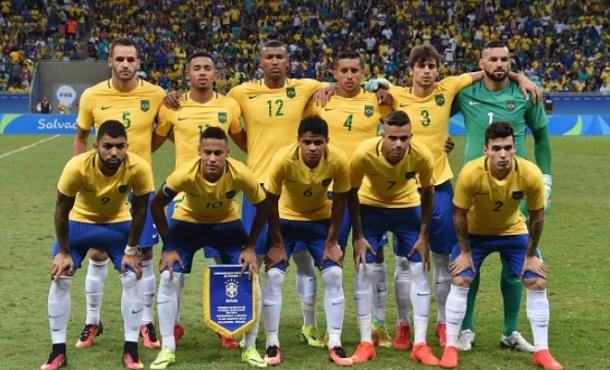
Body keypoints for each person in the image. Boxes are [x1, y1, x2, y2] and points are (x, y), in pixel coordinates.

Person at [371, 44, 540, 350]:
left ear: (438, 70)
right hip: (407, 189)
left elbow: (491, 69)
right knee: (406, 261)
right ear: (410, 70)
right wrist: (374, 87)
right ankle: (403, 325)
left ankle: (442, 324)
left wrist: (521, 78)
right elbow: (369, 101)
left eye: (432, 66)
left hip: (441, 185)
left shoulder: (448, 87)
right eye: (420, 66)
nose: (426, 71)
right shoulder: (393, 94)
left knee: (443, 258)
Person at [451, 40, 553, 352]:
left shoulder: (526, 93)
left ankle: (510, 331)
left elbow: (542, 138)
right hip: (475, 187)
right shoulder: (465, 92)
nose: (500, 64)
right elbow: (435, 106)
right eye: (493, 59)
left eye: (505, 59)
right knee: (470, 263)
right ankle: (466, 328)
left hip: (517, 189)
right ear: (481, 63)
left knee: (516, 264)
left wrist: (545, 178)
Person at [439, 121, 562, 370]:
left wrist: (530, 255)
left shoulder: (530, 173)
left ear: (515, 147)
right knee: (461, 279)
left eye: (507, 147)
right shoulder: (471, 172)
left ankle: (542, 351)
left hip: (513, 231)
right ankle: (451, 347)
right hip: (475, 233)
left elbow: (537, 217)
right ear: (486, 149)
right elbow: (459, 214)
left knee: (537, 280)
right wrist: (464, 252)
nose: (503, 154)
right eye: (496, 148)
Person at [73, 37, 165, 350]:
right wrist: (78, 178)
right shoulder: (92, 95)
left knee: (145, 254)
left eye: (131, 60)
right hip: (101, 188)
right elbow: (82, 138)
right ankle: (92, 320)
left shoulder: (156, 94)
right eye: (120, 59)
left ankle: (146, 321)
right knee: (98, 253)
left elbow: (163, 131)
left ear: (139, 63)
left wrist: (141, 162)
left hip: (139, 189)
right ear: (110, 62)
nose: (126, 65)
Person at [149, 126, 268, 369]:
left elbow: (264, 205)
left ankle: (251, 347)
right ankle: (167, 348)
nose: (212, 158)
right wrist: (169, 247)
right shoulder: (183, 174)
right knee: (168, 277)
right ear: (199, 152)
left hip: (226, 226)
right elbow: (156, 204)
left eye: (218, 153)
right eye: (207, 153)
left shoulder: (241, 173)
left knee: (250, 275)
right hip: (188, 224)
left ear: (227, 153)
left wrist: (250, 246)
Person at [41, 120, 154, 370]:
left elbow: (141, 209)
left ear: (127, 146)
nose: (114, 152)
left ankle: (131, 350)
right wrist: (63, 251)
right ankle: (57, 350)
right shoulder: (77, 166)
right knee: (61, 274)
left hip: (118, 224)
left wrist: (131, 250)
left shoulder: (138, 167)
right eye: (108, 146)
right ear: (96, 146)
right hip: (80, 222)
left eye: (120, 146)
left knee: (133, 275)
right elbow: (61, 209)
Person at [153, 50, 247, 348]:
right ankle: (175, 324)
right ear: (188, 74)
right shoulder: (173, 105)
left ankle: (227, 324)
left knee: (226, 264)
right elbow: (157, 139)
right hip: (184, 199)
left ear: (215, 73)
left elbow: (244, 141)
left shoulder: (229, 105)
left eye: (208, 68)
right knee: (176, 270)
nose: (203, 73)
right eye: (197, 68)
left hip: (221, 200)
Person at [307, 50, 392, 347]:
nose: (349, 76)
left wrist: (384, 85)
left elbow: (402, 125)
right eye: (343, 70)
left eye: (355, 70)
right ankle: (329, 325)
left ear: (363, 72)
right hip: (333, 193)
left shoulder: (376, 101)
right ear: (334, 72)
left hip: (370, 191)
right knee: (333, 255)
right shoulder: (322, 101)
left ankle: (376, 322)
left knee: (372, 255)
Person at [348, 111, 438, 365]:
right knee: (364, 268)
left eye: (404, 138)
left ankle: (420, 343)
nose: (398, 144)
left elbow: (429, 193)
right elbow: (351, 192)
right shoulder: (363, 153)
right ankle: (366, 341)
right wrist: (359, 235)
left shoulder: (421, 155)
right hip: (370, 208)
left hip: (406, 208)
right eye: (393, 138)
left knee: (420, 267)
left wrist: (423, 235)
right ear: (382, 136)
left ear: (411, 137)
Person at [263, 115, 352, 366]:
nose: (313, 148)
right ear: (298, 141)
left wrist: (332, 242)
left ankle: (335, 341)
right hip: (287, 222)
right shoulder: (282, 159)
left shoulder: (339, 160)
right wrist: (278, 244)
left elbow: (341, 201)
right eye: (308, 142)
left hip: (320, 223)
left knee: (334, 275)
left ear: (327, 142)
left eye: (318, 142)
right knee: (273, 276)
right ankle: (272, 342)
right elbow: (270, 202)